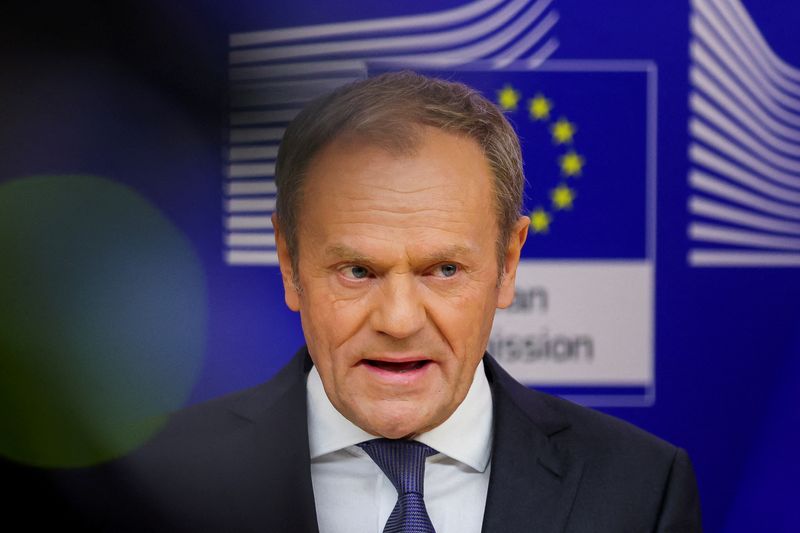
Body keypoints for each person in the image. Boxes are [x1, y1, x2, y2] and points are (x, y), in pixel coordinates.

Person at [79, 70, 701, 532]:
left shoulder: (641, 490)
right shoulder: (153, 482)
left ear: (508, 263)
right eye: (357, 270)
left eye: (444, 269)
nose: (399, 321)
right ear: (290, 263)